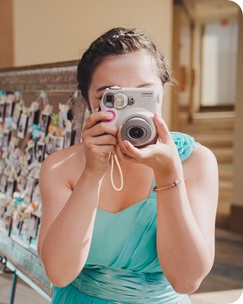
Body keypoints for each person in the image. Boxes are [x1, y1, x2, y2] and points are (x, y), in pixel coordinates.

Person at [37, 27, 219, 303]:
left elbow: (187, 280)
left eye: (143, 96)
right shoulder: (59, 168)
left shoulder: (196, 162)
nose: (129, 111)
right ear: (88, 101)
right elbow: (59, 273)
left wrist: (168, 173)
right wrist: (92, 174)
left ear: (162, 91)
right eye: (113, 97)